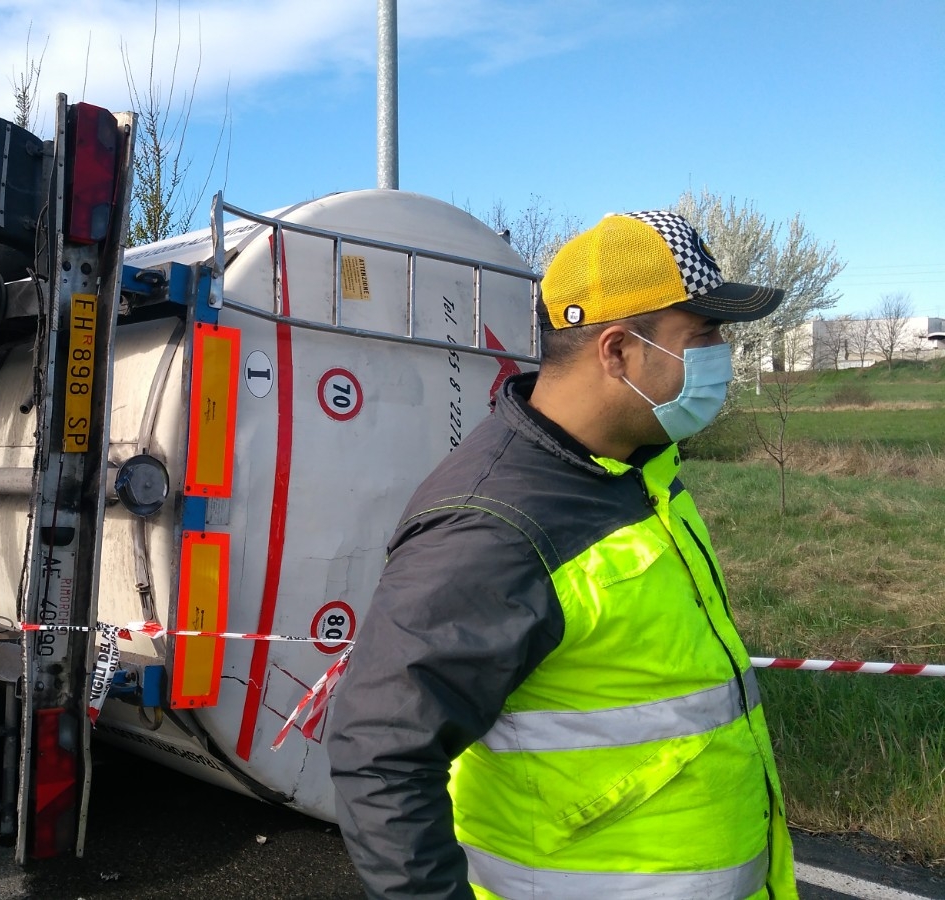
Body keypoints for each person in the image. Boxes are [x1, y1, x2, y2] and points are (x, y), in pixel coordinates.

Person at [327, 210, 797, 900]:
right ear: (616, 352)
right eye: (702, 334)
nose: (721, 353)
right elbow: (380, 753)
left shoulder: (641, 470)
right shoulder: (491, 529)